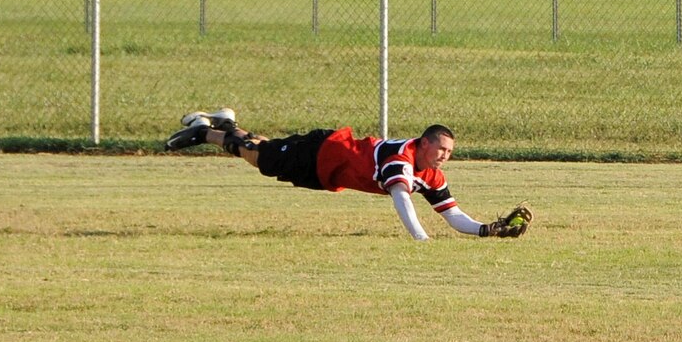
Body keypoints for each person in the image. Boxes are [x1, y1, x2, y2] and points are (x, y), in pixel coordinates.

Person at [164, 108, 532, 241]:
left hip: (328, 173)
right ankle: (206, 133)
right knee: (264, 159)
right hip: (325, 152)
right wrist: (420, 238)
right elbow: (401, 198)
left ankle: (227, 123)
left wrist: (486, 229)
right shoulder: (401, 159)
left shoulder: (430, 174)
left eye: (450, 153)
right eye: (441, 150)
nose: (445, 157)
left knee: (264, 152)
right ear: (423, 143)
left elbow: (452, 214)